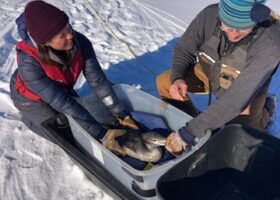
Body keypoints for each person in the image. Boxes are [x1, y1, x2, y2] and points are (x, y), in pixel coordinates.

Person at [10, 1, 138, 154]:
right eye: (62, 35)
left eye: (68, 28)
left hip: (60, 90)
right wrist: (102, 136)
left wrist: (120, 113)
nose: (70, 35)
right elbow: (64, 104)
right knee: (65, 134)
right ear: (45, 42)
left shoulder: (80, 42)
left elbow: (98, 81)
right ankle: (29, 118)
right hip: (30, 99)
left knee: (83, 120)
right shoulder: (29, 65)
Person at [156, 0, 280, 153]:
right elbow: (184, 49)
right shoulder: (209, 15)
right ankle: (198, 124)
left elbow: (237, 99)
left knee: (238, 136)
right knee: (165, 82)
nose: (234, 34)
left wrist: (189, 132)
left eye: (243, 29)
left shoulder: (271, 44)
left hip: (246, 92)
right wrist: (178, 77)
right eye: (227, 26)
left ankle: (267, 107)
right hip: (209, 72)